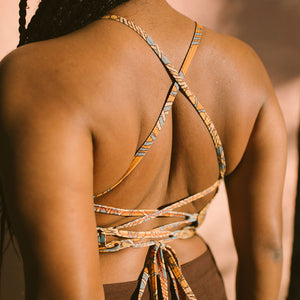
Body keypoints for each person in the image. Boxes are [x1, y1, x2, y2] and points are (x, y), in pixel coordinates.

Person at [0, 0, 287, 299]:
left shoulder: (37, 73)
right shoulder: (244, 67)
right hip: (202, 285)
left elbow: (63, 292)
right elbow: (268, 249)